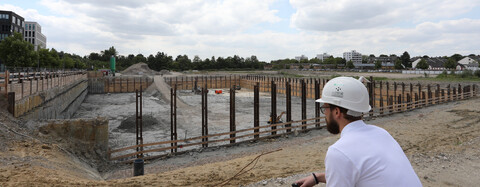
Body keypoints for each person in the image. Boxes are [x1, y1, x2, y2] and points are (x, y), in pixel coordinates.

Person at [294, 76, 422, 187]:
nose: (325, 113)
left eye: (325, 108)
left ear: (337, 111)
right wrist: (317, 177)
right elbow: (366, 174)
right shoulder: (381, 133)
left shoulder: (339, 152)